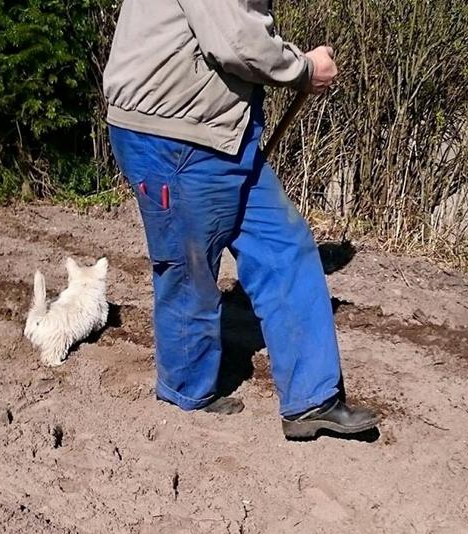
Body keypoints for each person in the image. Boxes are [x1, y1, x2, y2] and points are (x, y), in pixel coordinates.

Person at [102, 0, 379, 439]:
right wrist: (305, 69)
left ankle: (313, 400)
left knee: (285, 246)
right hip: (174, 134)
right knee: (190, 269)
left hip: (221, 131)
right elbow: (237, 42)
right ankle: (184, 397)